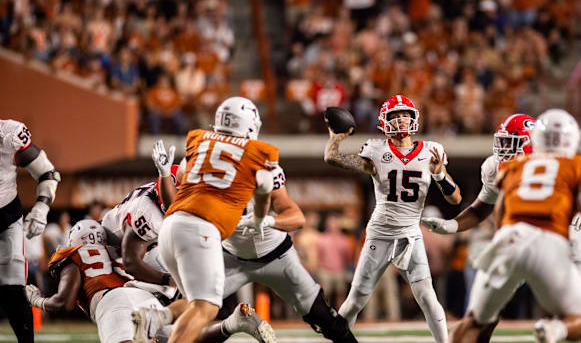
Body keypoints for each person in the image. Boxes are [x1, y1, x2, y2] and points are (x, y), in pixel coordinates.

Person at [136, 140, 358, 343]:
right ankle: (160, 318)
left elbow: (297, 217)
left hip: (276, 256)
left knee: (324, 319)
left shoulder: (265, 171)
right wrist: (165, 174)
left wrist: (268, 221)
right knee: (195, 308)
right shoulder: (203, 175)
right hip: (230, 256)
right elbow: (176, 208)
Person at [448, 109, 581, 343]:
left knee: (475, 322)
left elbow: (501, 214)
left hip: (512, 238)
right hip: (552, 243)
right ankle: (557, 330)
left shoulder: (509, 169)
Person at [324, 95, 462, 343]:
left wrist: (440, 175)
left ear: (414, 118)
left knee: (427, 297)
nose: (400, 120)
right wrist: (335, 138)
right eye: (394, 116)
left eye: (404, 115)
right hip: (380, 234)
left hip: (411, 234)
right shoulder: (376, 151)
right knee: (356, 299)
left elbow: (456, 199)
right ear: (384, 122)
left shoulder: (432, 150)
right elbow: (332, 159)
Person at [148, 97, 278, 343]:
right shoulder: (255, 153)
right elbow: (265, 187)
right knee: (206, 308)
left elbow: (185, 184)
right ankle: (156, 318)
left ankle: (155, 317)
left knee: (191, 303)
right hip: (200, 229)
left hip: (172, 226)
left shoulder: (200, 144)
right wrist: (260, 219)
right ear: (250, 125)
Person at [25, 219, 165, 343]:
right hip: (145, 297)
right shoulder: (119, 250)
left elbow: (64, 302)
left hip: (112, 301)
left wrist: (37, 300)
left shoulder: (75, 255)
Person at [1, 119, 61, 343]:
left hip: (5, 219)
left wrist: (42, 207)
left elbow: (47, 173)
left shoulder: (9, 135)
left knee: (14, 290)